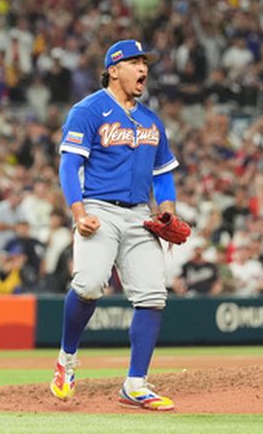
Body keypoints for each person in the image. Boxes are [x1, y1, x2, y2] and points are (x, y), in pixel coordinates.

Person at [50, 39, 180, 411]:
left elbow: (163, 175)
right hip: (99, 208)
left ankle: (135, 384)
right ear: (113, 69)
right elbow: (69, 165)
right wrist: (78, 213)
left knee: (153, 295)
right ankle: (66, 360)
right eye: (135, 62)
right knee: (89, 285)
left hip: (141, 214)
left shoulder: (151, 120)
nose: (143, 69)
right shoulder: (88, 110)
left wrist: (167, 210)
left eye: (145, 63)